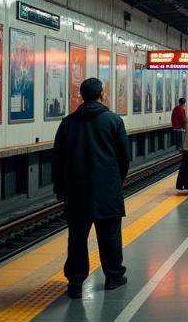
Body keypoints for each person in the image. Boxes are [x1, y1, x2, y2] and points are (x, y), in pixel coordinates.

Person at [52, 77, 130, 299]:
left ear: (81, 96)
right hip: (107, 189)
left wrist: (60, 188)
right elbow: (124, 157)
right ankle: (113, 276)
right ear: (101, 94)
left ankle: (76, 282)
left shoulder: (68, 123)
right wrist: (118, 180)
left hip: (76, 191)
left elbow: (58, 158)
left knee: (77, 238)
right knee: (110, 235)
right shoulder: (114, 121)